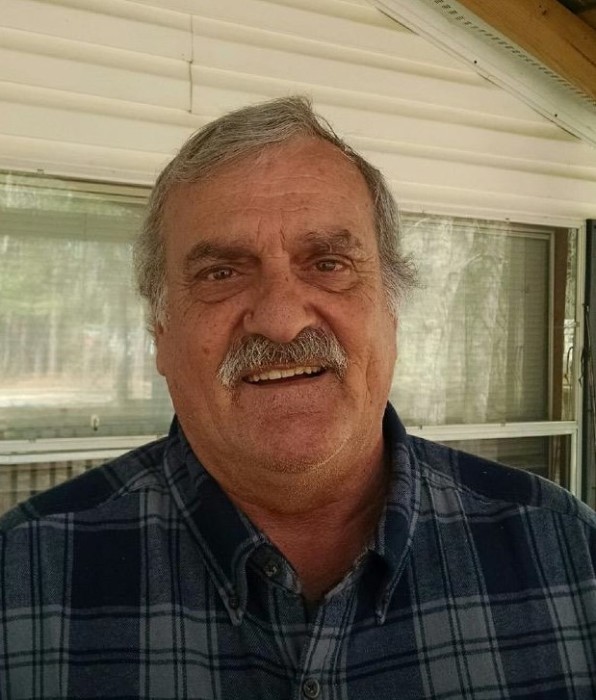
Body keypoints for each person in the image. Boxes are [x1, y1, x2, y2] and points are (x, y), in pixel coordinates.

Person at [0, 96, 594, 700]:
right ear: (160, 332)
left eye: (329, 263)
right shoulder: (23, 579)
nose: (282, 321)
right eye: (222, 273)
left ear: (391, 314)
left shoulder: (569, 555)